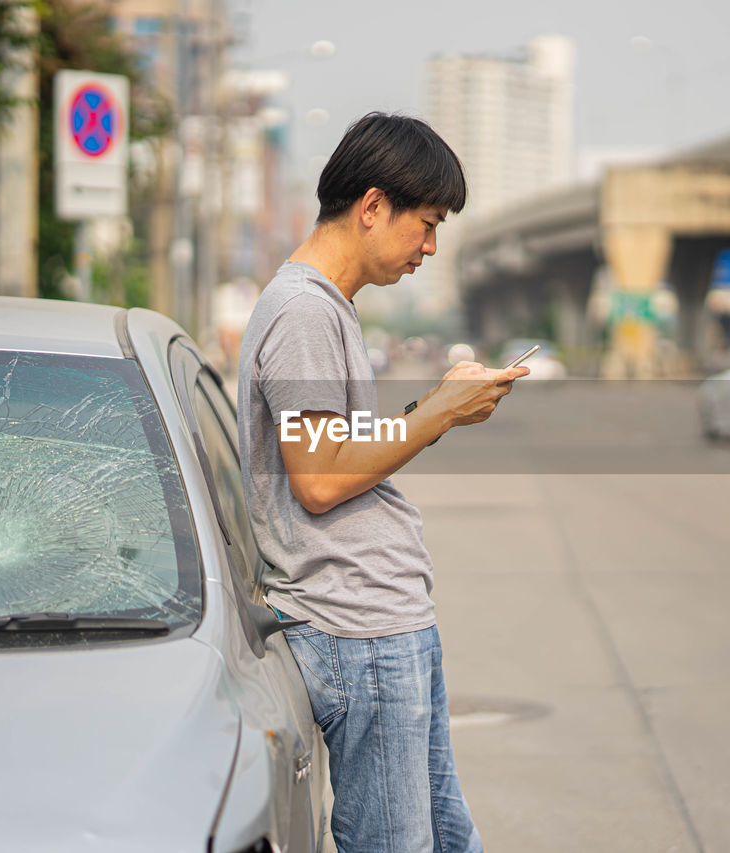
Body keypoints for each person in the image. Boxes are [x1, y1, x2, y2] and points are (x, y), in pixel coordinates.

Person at [236, 112, 527, 853]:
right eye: (426, 224)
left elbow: (330, 446)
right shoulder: (304, 310)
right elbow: (319, 479)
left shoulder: (324, 307)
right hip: (355, 628)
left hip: (381, 621)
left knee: (448, 839)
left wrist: (432, 406)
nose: (430, 247)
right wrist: (436, 414)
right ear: (372, 207)